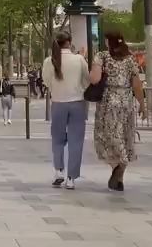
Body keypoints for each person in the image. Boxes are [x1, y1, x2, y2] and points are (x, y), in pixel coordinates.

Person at [90, 31, 145, 191]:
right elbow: (136, 84)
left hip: (108, 100)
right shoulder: (130, 59)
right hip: (126, 100)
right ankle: (119, 176)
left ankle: (116, 165)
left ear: (108, 42)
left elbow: (94, 78)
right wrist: (142, 104)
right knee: (124, 135)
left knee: (107, 136)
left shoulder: (102, 56)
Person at [43, 32, 90, 189]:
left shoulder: (49, 61)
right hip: (77, 102)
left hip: (58, 103)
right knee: (76, 141)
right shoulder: (79, 59)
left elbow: (47, 81)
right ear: (69, 42)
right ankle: (71, 178)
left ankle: (59, 171)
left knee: (57, 139)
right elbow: (86, 79)